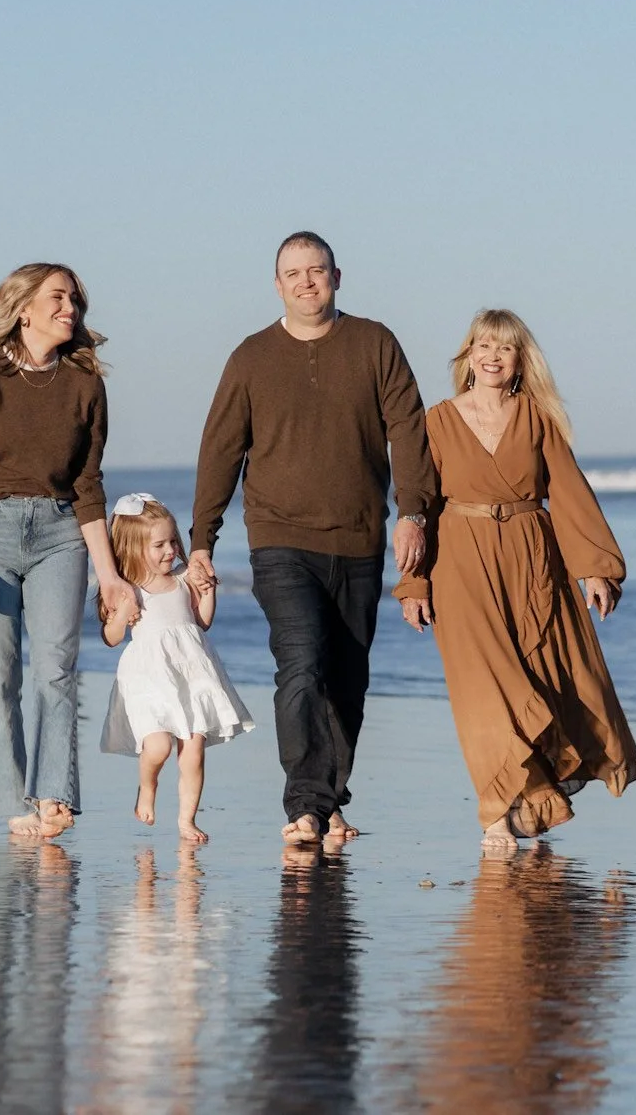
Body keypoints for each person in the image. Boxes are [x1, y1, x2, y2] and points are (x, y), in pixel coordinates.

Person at [190, 231, 435, 845]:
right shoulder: (251, 357)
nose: (306, 281)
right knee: (301, 663)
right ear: (277, 285)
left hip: (360, 538)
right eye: (293, 273)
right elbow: (220, 450)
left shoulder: (374, 343)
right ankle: (304, 802)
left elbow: (408, 428)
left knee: (348, 677)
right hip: (280, 539)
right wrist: (202, 540)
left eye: (317, 270)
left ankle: (327, 798)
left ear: (337, 276)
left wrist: (414, 511)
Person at [395, 309, 636, 851]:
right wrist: (414, 585)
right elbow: (420, 504)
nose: (491, 356)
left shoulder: (537, 419)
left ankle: (535, 795)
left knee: (548, 677)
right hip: (460, 562)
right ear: (467, 356)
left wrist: (596, 569)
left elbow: (570, 492)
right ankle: (495, 810)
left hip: (534, 560)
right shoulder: (436, 421)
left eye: (504, 348)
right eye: (482, 345)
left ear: (519, 361)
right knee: (484, 689)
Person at [0, 263, 130, 839]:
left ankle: (54, 794)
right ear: (23, 308)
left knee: (56, 668)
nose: (69, 306)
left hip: (60, 533)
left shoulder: (85, 386)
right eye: (57, 296)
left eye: (74, 298)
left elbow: (88, 486)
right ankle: (8, 803)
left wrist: (112, 576)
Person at [97, 493, 254, 844]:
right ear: (134, 548)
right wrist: (122, 614)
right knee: (157, 748)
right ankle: (147, 786)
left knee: (193, 747)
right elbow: (110, 637)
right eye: (159, 545)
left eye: (172, 541)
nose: (170, 550)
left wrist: (208, 592)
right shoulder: (127, 588)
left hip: (192, 674)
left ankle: (187, 819)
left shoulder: (183, 578)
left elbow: (201, 623)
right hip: (149, 678)